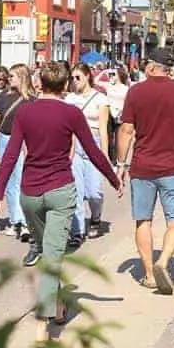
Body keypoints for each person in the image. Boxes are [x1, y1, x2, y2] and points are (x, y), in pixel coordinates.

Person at [0, 61, 122, 348]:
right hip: (60, 190)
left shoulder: (25, 112)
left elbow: (11, 155)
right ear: (65, 85)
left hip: (30, 194)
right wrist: (114, 179)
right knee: (51, 257)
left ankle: (58, 305)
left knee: (48, 252)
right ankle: (42, 323)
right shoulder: (71, 113)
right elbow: (93, 150)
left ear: (40, 84)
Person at [116, 48, 174, 295]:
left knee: (143, 220)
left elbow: (126, 131)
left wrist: (121, 164)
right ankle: (164, 260)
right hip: (172, 166)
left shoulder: (135, 92)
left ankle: (150, 275)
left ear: (151, 67)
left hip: (142, 167)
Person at [0, 64, 37, 259]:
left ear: (22, 77)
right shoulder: (3, 96)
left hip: (24, 141)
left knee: (21, 180)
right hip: (6, 138)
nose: (9, 79)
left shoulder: (32, 100)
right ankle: (16, 220)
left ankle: (24, 222)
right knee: (10, 181)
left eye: (12, 76)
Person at [66, 64, 110, 245]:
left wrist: (104, 154)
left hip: (93, 143)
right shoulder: (69, 99)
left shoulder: (100, 99)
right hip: (74, 145)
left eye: (78, 77)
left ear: (87, 76)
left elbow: (103, 129)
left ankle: (96, 216)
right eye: (72, 78)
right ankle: (77, 231)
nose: (75, 81)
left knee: (94, 192)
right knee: (76, 190)